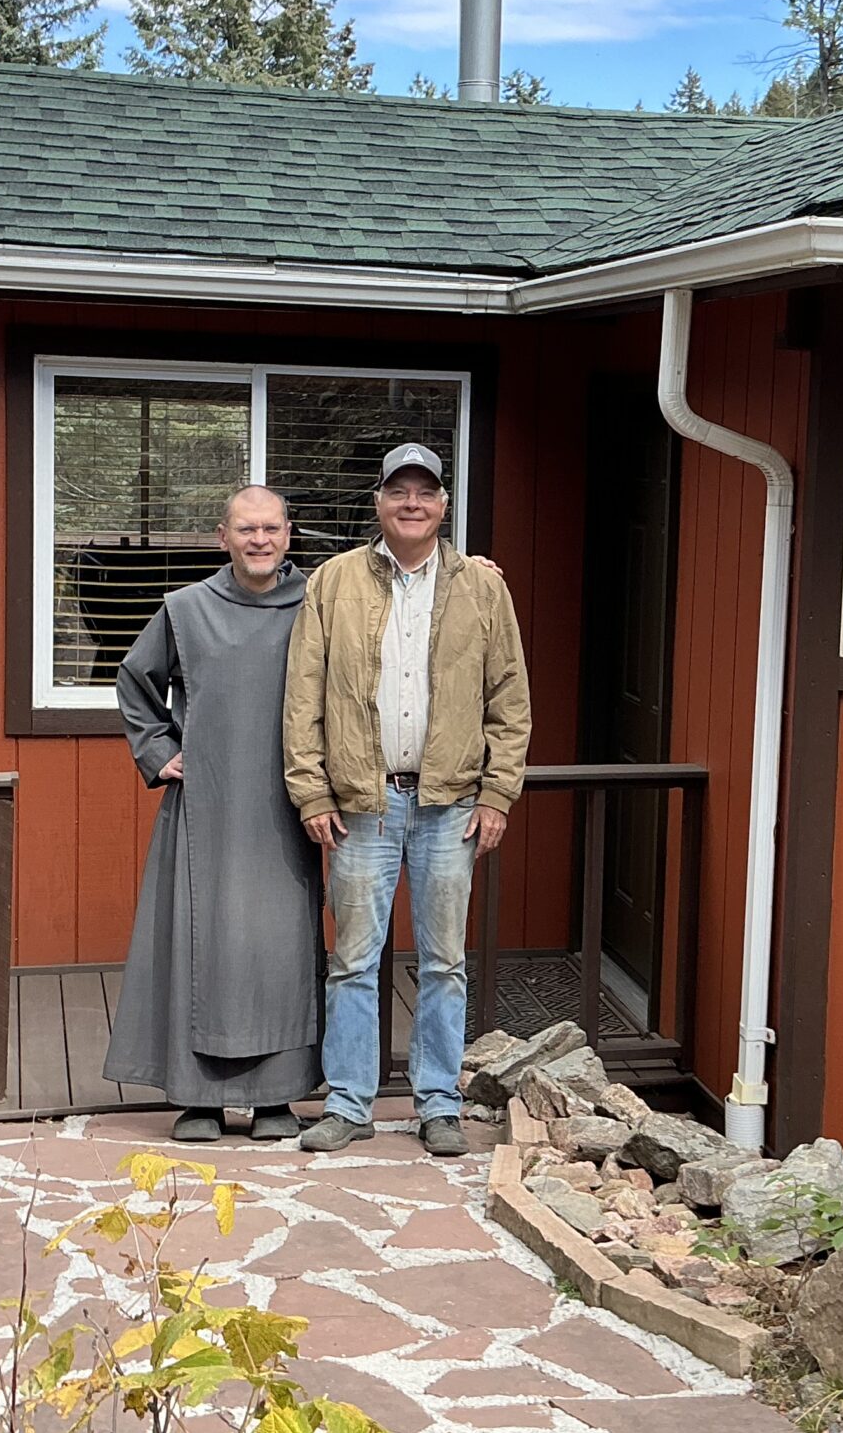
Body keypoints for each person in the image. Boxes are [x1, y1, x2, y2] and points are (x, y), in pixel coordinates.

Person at [284, 443, 532, 1156]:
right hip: (363, 804)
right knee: (354, 960)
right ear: (379, 503)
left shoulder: (483, 589)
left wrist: (497, 793)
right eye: (400, 491)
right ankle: (351, 1102)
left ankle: (437, 1103)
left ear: (444, 506)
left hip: (450, 805)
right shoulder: (333, 583)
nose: (413, 503)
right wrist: (311, 790)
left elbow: (508, 701)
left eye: (426, 492)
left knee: (444, 962)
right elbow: (303, 696)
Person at [104, 485, 322, 1141]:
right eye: (246, 529)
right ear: (222, 536)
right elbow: (135, 681)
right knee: (196, 946)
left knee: (279, 954)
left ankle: (278, 1098)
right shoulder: (185, 609)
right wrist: (158, 749)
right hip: (203, 810)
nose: (260, 540)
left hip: (287, 809)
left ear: (289, 534)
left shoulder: (319, 605)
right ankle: (197, 1099)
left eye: (272, 528)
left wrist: (471, 568)